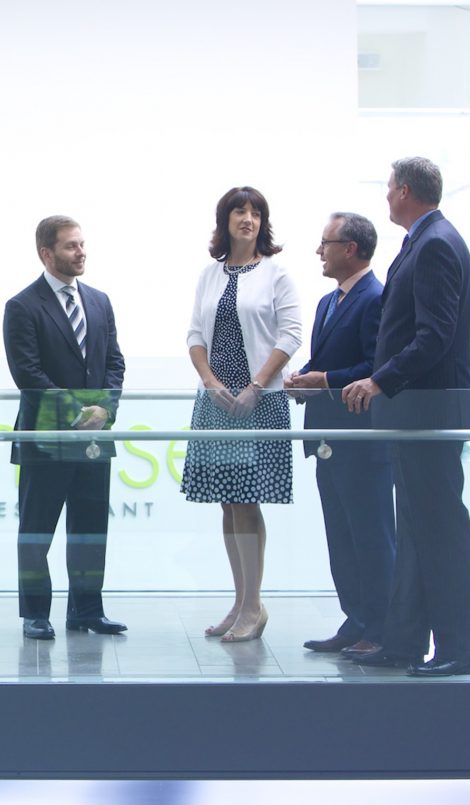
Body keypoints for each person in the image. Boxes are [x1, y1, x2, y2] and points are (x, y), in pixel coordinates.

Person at [341, 157, 470, 677]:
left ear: (404, 191)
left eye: (387, 188)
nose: (384, 197)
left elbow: (434, 334)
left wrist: (380, 380)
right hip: (416, 411)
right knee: (418, 529)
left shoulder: (437, 243)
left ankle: (459, 651)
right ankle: (403, 641)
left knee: (441, 531)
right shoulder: (424, 241)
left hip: (428, 409)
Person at [181, 186, 302, 643]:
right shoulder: (209, 275)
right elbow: (194, 334)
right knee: (228, 503)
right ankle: (240, 600)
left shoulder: (277, 274)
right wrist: (211, 381)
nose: (247, 219)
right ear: (225, 220)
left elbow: (290, 335)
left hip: (259, 401)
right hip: (216, 402)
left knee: (248, 502)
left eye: (255, 213)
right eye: (239, 211)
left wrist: (255, 385)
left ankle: (255, 604)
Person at [3, 216, 126, 641]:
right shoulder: (22, 306)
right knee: (37, 530)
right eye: (71, 246)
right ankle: (36, 614)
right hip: (46, 439)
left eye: (82, 244)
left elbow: (115, 362)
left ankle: (87, 610)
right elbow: (28, 374)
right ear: (46, 253)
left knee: (90, 528)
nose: (81, 252)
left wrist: (104, 409)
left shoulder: (99, 301)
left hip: (94, 439)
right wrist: (79, 410)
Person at [284, 212, 396, 660]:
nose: (319, 251)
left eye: (325, 243)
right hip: (328, 438)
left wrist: (323, 379)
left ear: (350, 248)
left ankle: (381, 627)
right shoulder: (328, 302)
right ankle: (356, 620)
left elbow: (375, 369)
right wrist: (307, 382)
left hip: (362, 440)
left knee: (371, 536)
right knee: (342, 536)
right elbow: (327, 366)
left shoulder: (375, 298)